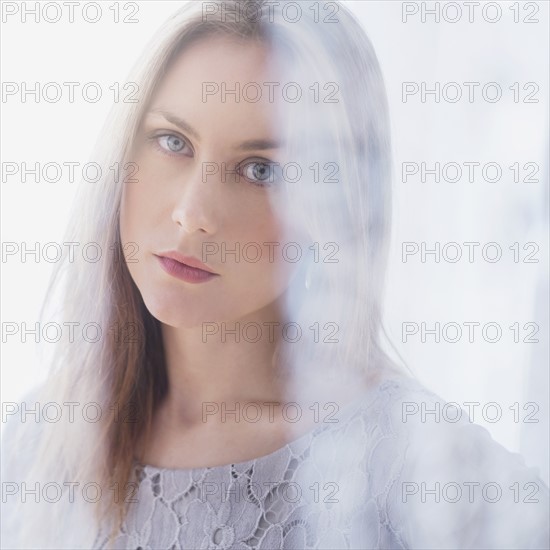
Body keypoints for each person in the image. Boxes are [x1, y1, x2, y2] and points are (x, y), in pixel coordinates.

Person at [2, 1, 548, 548]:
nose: (193, 212)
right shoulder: (37, 438)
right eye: (173, 141)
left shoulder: (400, 459)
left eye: (261, 170)